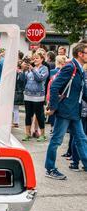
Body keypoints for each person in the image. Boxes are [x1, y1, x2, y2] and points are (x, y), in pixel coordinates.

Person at [44, 43, 87, 180]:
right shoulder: (70, 67)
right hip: (65, 110)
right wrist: (54, 107)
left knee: (81, 139)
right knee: (56, 140)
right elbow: (55, 86)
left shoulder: (79, 69)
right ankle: (50, 169)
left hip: (75, 111)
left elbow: (82, 91)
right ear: (80, 54)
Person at [22, 53, 49, 142]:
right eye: (34, 58)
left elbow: (40, 78)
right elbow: (24, 80)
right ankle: (27, 134)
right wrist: (23, 69)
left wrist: (32, 69)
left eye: (37, 58)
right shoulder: (30, 69)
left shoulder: (44, 69)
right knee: (28, 115)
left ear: (42, 59)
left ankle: (43, 134)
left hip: (38, 96)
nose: (35, 60)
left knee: (39, 115)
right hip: (28, 95)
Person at [70, 63, 87, 171]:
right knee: (79, 137)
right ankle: (76, 161)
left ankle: (75, 162)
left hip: (81, 110)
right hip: (82, 111)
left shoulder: (82, 74)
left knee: (78, 137)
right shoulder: (83, 75)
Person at [13, 60, 27, 128]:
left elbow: (22, 81)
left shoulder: (21, 73)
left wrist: (19, 72)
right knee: (15, 108)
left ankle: (16, 122)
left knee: (15, 108)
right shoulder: (20, 73)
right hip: (17, 92)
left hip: (17, 92)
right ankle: (15, 122)